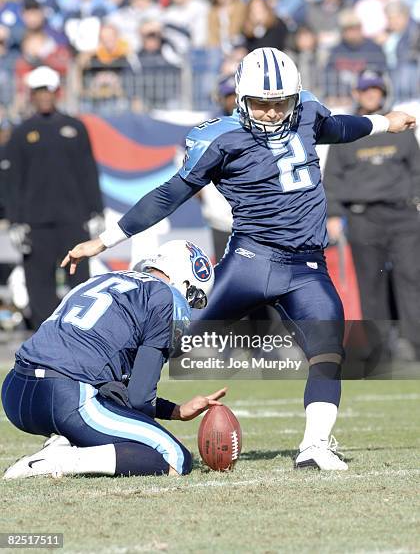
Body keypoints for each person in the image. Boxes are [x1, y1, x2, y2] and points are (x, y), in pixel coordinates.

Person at [62, 47, 415, 471]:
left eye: (279, 102)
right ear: (241, 99)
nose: (270, 112)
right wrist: (104, 241)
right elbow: (168, 195)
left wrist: (383, 123)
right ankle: (75, 422)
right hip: (251, 261)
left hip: (307, 268)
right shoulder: (220, 137)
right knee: (166, 337)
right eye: (261, 103)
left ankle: (315, 446)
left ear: (294, 96)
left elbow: (337, 126)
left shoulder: (305, 112)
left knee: (327, 351)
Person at [1, 240, 224, 479]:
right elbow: (139, 399)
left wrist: (176, 411)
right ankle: (66, 460)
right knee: (176, 458)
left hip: (16, 393)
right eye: (194, 299)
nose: (190, 306)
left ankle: (64, 442)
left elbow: (118, 391)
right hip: (66, 395)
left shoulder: (104, 279)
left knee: (108, 401)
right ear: (185, 283)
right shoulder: (167, 298)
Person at [324, 69, 420, 360]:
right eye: (366, 89)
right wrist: (334, 214)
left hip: (403, 214)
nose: (371, 93)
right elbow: (333, 178)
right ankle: (378, 350)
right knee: (370, 284)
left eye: (375, 89)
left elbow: (416, 169)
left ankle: (414, 344)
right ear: (356, 93)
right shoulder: (349, 129)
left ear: (383, 91)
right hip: (363, 216)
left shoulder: (401, 126)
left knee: (412, 278)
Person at [5, 65, 104, 330]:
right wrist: (14, 220)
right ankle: (44, 334)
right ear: (32, 95)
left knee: (79, 279)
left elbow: (88, 171)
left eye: (48, 91)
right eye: (39, 91)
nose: (44, 97)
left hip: (73, 219)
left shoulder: (75, 127)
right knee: (39, 283)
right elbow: (13, 180)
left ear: (56, 92)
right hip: (35, 223)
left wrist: (97, 211)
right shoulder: (22, 133)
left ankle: (81, 331)